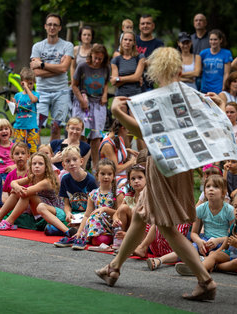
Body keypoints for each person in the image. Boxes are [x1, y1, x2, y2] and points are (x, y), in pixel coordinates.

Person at [95, 47, 217, 301]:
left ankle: (205, 281)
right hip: (177, 166)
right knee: (141, 215)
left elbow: (147, 134)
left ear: (156, 69)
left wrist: (118, 113)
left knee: (166, 226)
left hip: (162, 165)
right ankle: (114, 268)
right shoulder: (186, 94)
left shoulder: (163, 96)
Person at [55, 159, 124, 249]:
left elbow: (120, 213)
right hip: (95, 224)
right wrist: (79, 231)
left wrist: (105, 209)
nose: (106, 177)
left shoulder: (118, 193)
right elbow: (87, 215)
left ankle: (84, 237)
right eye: (103, 174)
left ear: (114, 175)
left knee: (98, 240)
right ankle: (78, 236)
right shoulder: (93, 194)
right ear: (97, 175)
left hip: (109, 226)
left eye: (109, 174)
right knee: (93, 217)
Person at [0, 152, 64, 231]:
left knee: (26, 194)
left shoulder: (47, 181)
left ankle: (9, 222)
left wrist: (17, 188)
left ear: (46, 167)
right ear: (30, 166)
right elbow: (13, 182)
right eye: (34, 164)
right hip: (39, 206)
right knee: (16, 193)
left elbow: (26, 192)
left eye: (40, 164)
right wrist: (17, 187)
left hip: (51, 210)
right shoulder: (33, 177)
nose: (37, 166)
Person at [191, 192, 237, 276]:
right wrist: (214, 255)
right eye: (235, 206)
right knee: (214, 254)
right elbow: (225, 245)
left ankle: (216, 267)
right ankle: (197, 270)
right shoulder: (235, 225)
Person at [30, 13, 74, 141]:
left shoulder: (67, 46)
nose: (52, 27)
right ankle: (37, 157)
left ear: (60, 28)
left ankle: (52, 157)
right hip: (42, 92)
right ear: (45, 26)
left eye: (55, 25)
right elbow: (36, 73)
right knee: (37, 127)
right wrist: (58, 69)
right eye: (49, 24)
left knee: (56, 127)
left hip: (61, 92)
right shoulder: (37, 47)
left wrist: (42, 64)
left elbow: (64, 68)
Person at [71, 44, 109, 171]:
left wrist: (105, 94)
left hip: (98, 104)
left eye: (100, 59)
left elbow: (106, 82)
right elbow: (74, 85)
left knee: (96, 136)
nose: (97, 61)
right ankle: (80, 165)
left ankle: (95, 167)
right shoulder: (82, 66)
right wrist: (81, 100)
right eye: (95, 58)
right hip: (84, 103)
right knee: (83, 135)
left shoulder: (105, 68)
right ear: (91, 55)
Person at [53, 146, 97, 246]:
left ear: (81, 161)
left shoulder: (90, 180)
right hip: (74, 214)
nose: (72, 163)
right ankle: (72, 231)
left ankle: (75, 235)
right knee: (49, 224)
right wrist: (68, 213)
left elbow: (94, 207)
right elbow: (66, 204)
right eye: (68, 161)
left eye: (74, 160)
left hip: (87, 214)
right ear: (63, 165)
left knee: (53, 228)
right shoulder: (65, 179)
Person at [99, 119, 137, 185]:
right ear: (122, 128)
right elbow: (116, 169)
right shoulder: (107, 145)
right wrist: (131, 161)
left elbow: (115, 152)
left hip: (123, 173)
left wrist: (127, 150)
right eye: (127, 129)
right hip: (113, 177)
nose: (128, 132)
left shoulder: (118, 137)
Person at [12, 67, 39, 154]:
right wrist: (14, 106)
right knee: (18, 150)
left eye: (30, 83)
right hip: (19, 127)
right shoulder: (17, 95)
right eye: (26, 84)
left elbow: (33, 100)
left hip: (31, 128)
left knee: (33, 150)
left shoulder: (35, 94)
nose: (29, 85)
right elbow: (15, 112)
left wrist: (27, 88)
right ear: (22, 83)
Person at [111, 31, 145, 97]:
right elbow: (114, 83)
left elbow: (136, 77)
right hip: (120, 95)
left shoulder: (140, 57)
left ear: (134, 43)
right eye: (125, 39)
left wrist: (119, 79)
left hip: (136, 95)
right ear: (121, 41)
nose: (127, 42)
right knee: (115, 107)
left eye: (130, 40)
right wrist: (132, 77)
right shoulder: (116, 60)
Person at [198, 29, 232, 94]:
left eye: (215, 39)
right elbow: (199, 71)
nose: (213, 42)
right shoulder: (203, 53)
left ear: (220, 40)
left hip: (219, 88)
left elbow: (226, 73)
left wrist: (224, 87)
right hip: (205, 88)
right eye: (211, 39)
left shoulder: (226, 53)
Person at [136, 14, 164, 91]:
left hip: (148, 85)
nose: (145, 26)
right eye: (143, 23)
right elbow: (119, 54)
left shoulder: (159, 44)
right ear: (139, 26)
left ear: (153, 26)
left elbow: (158, 63)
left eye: (148, 23)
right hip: (130, 84)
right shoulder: (132, 40)